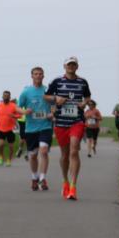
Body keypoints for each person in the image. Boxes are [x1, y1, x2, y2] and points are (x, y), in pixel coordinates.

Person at [45, 57, 92, 201]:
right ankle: (65, 181)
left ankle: (73, 186)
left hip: (76, 121)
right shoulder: (57, 81)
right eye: (69, 65)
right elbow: (46, 96)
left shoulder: (82, 82)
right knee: (64, 155)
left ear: (77, 66)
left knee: (74, 151)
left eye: (74, 65)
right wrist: (56, 99)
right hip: (61, 123)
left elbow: (88, 96)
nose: (71, 67)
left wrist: (84, 103)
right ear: (64, 66)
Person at [17, 66, 54, 191]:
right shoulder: (26, 92)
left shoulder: (48, 91)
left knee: (43, 151)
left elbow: (55, 106)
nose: (38, 76)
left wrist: (52, 114)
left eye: (40, 74)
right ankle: (34, 177)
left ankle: (43, 179)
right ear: (32, 76)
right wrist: (24, 111)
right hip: (30, 129)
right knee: (33, 155)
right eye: (36, 74)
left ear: (43, 76)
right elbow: (17, 107)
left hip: (45, 126)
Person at [0, 91, 21, 166]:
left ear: (9, 97)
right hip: (0, 128)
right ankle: (1, 156)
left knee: (11, 147)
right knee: (1, 144)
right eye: (4, 96)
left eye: (7, 96)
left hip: (10, 129)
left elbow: (20, 115)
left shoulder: (13, 106)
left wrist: (14, 116)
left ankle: (9, 159)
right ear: (2, 97)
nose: (6, 97)